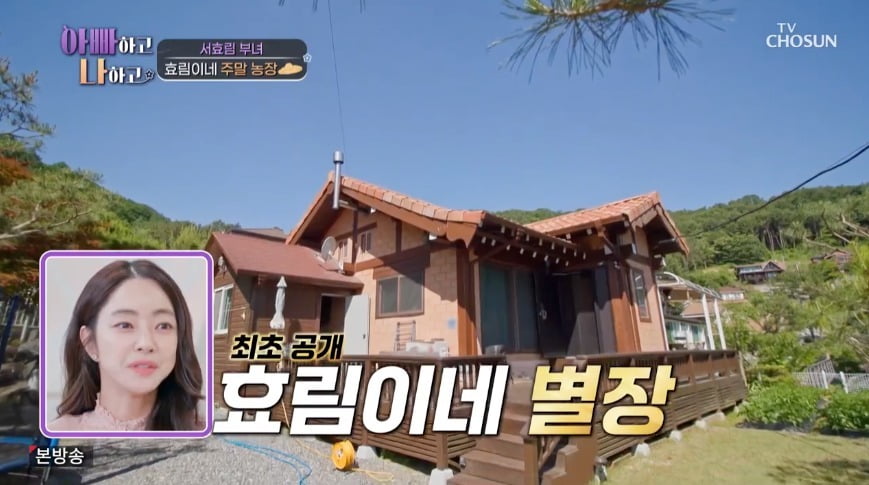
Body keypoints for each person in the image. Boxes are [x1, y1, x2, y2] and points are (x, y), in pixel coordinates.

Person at [49, 259, 205, 432]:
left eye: (163, 326)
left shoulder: (205, 434)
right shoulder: (58, 435)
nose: (146, 343)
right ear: (90, 343)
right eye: (125, 325)